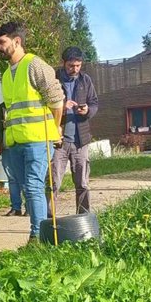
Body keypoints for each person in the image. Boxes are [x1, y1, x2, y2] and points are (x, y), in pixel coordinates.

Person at [0, 22, 64, 240]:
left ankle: (38, 237)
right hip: (15, 142)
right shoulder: (6, 75)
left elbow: (57, 101)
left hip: (37, 140)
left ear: (17, 41)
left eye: (1, 42)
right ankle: (40, 234)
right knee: (26, 188)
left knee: (33, 186)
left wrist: (54, 129)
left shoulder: (35, 65)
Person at [50, 46, 99, 215]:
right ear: (64, 63)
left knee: (83, 184)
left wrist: (88, 111)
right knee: (53, 183)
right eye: (71, 65)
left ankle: (84, 217)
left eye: (78, 65)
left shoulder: (85, 80)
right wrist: (61, 109)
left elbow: (94, 103)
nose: (75, 69)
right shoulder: (53, 80)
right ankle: (50, 221)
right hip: (58, 140)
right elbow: (42, 106)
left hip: (81, 141)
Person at [0, 103, 26, 216]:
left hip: (21, 147)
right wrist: (4, 124)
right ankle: (16, 207)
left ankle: (30, 207)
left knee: (24, 178)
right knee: (12, 178)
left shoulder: (23, 105)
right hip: (7, 148)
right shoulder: (1, 107)